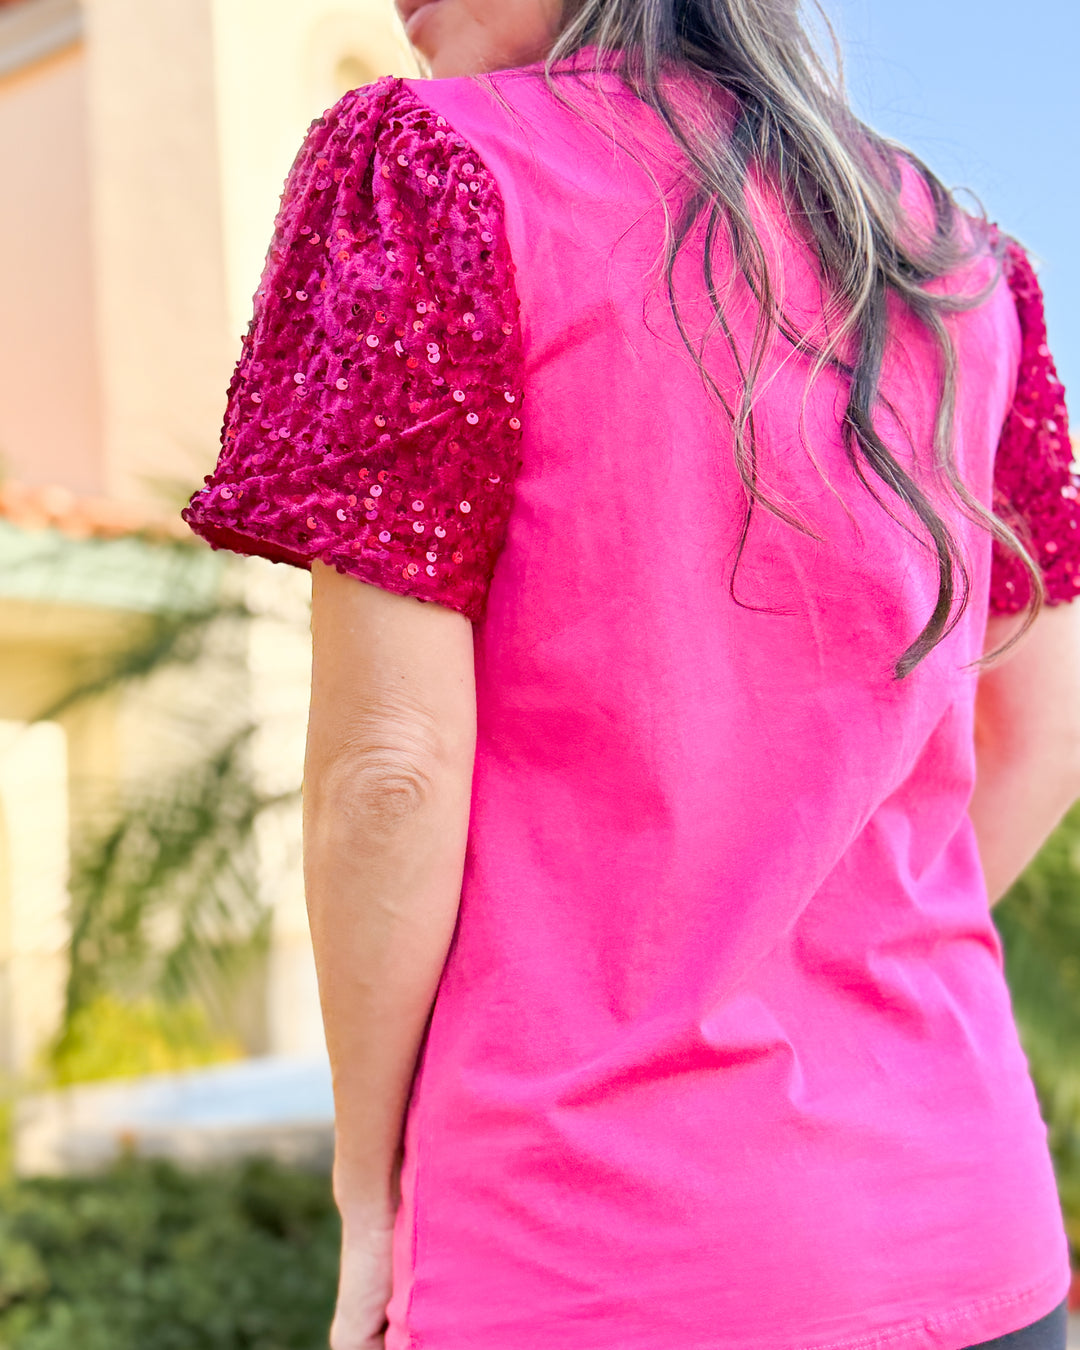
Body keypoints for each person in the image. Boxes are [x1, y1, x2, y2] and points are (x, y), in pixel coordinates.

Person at [180, 1, 1080, 1347]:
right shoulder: (956, 257)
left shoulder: (435, 172)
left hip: (594, 1263)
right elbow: (1040, 738)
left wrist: (371, 1184)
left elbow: (389, 770)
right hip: (977, 1234)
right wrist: (784, 941)